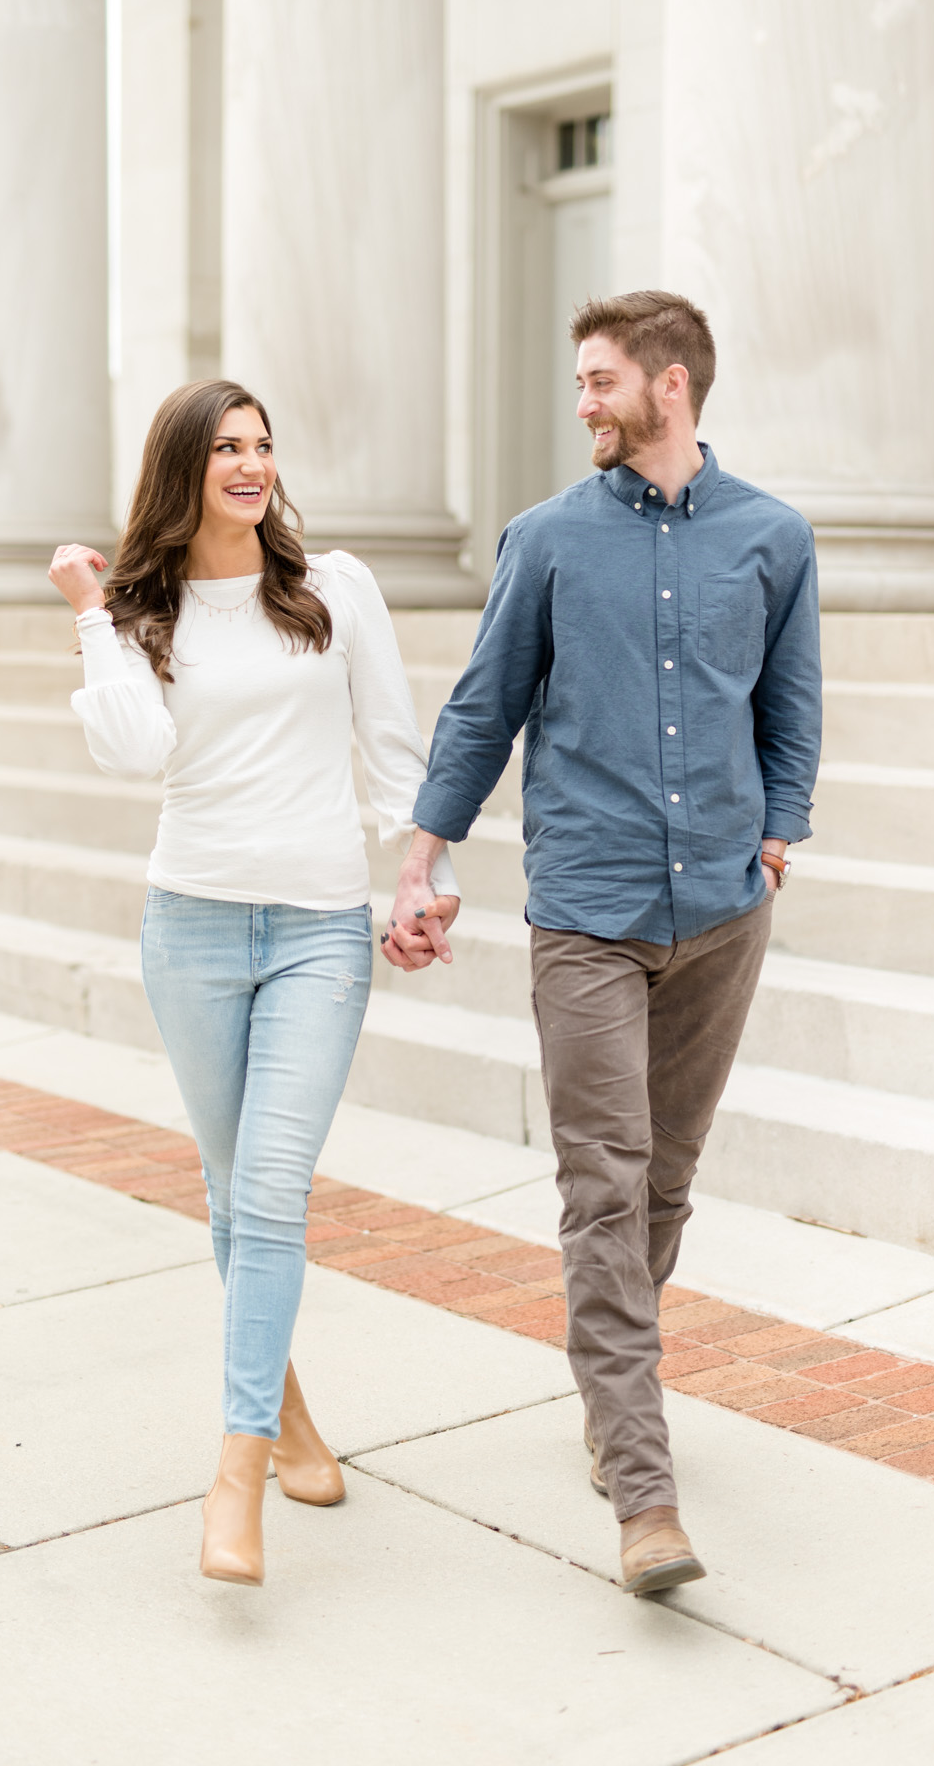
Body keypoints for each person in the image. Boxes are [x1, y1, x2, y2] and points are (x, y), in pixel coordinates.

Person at [381, 290, 821, 1596]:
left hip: (721, 916)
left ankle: (601, 1390)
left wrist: (777, 832)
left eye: (596, 380)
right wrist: (424, 855)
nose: (580, 401)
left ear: (668, 383)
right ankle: (641, 1488)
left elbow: (789, 712)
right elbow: (481, 707)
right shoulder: (548, 539)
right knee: (600, 1186)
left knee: (664, 1180)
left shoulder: (771, 538)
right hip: (586, 910)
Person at [47, 378, 458, 1588]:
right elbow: (136, 749)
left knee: (271, 1185)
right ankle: (288, 1415)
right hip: (191, 923)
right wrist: (88, 611)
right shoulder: (141, 606)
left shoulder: (334, 587)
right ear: (183, 466)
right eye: (225, 446)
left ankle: (235, 1470)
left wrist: (416, 873)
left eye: (263, 445)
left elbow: (390, 745)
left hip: (319, 929)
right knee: (235, 1198)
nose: (250, 464)